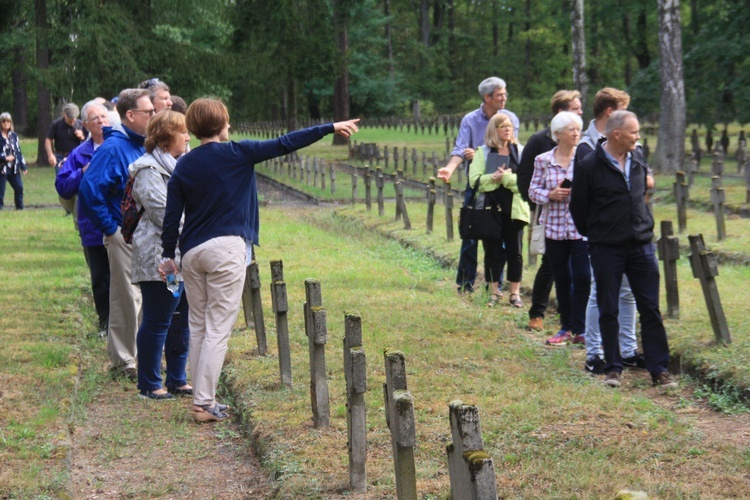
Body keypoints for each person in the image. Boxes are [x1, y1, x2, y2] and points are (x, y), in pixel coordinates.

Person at [160, 97, 359, 422]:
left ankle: (200, 398)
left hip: (192, 253)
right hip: (226, 249)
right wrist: (330, 128)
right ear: (222, 124)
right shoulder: (238, 153)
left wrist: (169, 255)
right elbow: (285, 143)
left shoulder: (183, 163)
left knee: (198, 325)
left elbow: (172, 217)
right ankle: (203, 403)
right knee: (218, 328)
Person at [570, 110, 678, 389]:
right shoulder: (589, 165)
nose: (638, 136)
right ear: (616, 134)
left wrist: (642, 225)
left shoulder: (638, 157)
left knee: (650, 308)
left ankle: (659, 369)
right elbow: (578, 208)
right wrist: (597, 234)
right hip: (607, 248)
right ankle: (613, 368)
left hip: (641, 245)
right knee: (608, 307)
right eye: (634, 132)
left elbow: (641, 196)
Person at [79, 88, 154, 381]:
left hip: (142, 234)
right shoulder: (114, 148)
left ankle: (139, 355)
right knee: (126, 297)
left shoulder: (141, 145)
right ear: (131, 115)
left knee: (143, 296)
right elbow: (89, 189)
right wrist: (111, 228)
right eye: (148, 112)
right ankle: (124, 362)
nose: (153, 116)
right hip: (122, 233)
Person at [574, 88, 647, 375]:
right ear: (610, 113)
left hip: (629, 234)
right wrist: (591, 230)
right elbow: (581, 200)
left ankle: (627, 350)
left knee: (627, 293)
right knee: (599, 293)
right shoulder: (587, 147)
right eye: (623, 109)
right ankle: (596, 353)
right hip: (602, 235)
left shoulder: (631, 148)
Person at [130, 111, 192, 400]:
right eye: (183, 133)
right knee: (158, 319)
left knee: (180, 317)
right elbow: (166, 214)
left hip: (185, 255)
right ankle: (149, 383)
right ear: (166, 138)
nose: (188, 137)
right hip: (161, 258)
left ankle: (178, 378)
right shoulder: (147, 171)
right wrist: (199, 223)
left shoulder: (182, 166)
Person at [437, 77, 520, 294]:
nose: (504, 98)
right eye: (500, 94)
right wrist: (450, 168)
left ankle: (495, 285)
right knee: (471, 233)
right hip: (477, 184)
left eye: (505, 94)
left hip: (502, 186)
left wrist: (483, 152)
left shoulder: (511, 118)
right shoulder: (471, 120)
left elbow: (512, 148)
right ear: (487, 97)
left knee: (499, 236)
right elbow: (460, 149)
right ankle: (465, 283)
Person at [517, 90, 582, 331]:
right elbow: (525, 180)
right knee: (551, 265)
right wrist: (543, 203)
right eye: (575, 109)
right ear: (560, 112)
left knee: (578, 269)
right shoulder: (538, 142)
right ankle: (538, 312)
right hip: (549, 216)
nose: (580, 114)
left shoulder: (582, 147)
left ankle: (576, 318)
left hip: (576, 221)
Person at [529, 111, 590, 346]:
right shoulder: (543, 160)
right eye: (571, 130)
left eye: (578, 129)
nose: (576, 133)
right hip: (554, 227)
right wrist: (551, 194)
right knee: (562, 276)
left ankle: (581, 327)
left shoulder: (585, 158)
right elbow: (533, 191)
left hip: (579, 227)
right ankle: (566, 327)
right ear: (558, 134)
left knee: (583, 276)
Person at [55, 102, 111, 336]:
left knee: (124, 278)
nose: (100, 121)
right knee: (100, 278)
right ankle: (105, 324)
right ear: (85, 124)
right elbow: (62, 186)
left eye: (103, 117)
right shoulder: (79, 154)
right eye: (94, 118)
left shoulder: (118, 147)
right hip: (92, 226)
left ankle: (126, 324)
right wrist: (82, 172)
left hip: (121, 224)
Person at [468, 112, 529, 307]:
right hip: (490, 209)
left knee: (515, 251)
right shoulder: (483, 152)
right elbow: (475, 181)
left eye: (509, 125)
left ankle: (515, 293)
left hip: (515, 209)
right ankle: (494, 292)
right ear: (494, 130)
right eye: (502, 126)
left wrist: (507, 179)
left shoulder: (520, 151)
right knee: (492, 250)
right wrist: (493, 178)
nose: (507, 129)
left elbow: (526, 182)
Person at [0, 112, 28, 210]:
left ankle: (20, 208)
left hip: (14, 168)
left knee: (19, 187)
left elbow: (18, 151)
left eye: (8, 121)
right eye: (4, 121)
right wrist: (4, 158)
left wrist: (23, 166)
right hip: (2, 168)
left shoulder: (14, 136)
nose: (6, 123)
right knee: (1, 190)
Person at [45, 103, 85, 168]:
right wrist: (50, 155)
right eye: (69, 118)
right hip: (60, 156)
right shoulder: (56, 124)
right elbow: (48, 140)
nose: (72, 121)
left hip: (76, 156)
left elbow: (88, 142)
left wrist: (82, 137)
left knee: (76, 177)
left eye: (74, 118)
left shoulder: (82, 125)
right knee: (62, 177)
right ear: (64, 114)